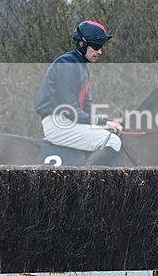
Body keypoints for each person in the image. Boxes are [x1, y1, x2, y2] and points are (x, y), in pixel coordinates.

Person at [35, 20, 123, 166]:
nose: (99, 51)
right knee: (112, 141)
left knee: (110, 133)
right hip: (59, 123)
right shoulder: (67, 65)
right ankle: (84, 180)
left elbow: (88, 107)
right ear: (81, 44)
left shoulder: (82, 67)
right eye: (96, 46)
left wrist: (109, 121)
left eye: (101, 47)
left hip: (69, 121)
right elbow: (70, 111)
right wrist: (105, 123)